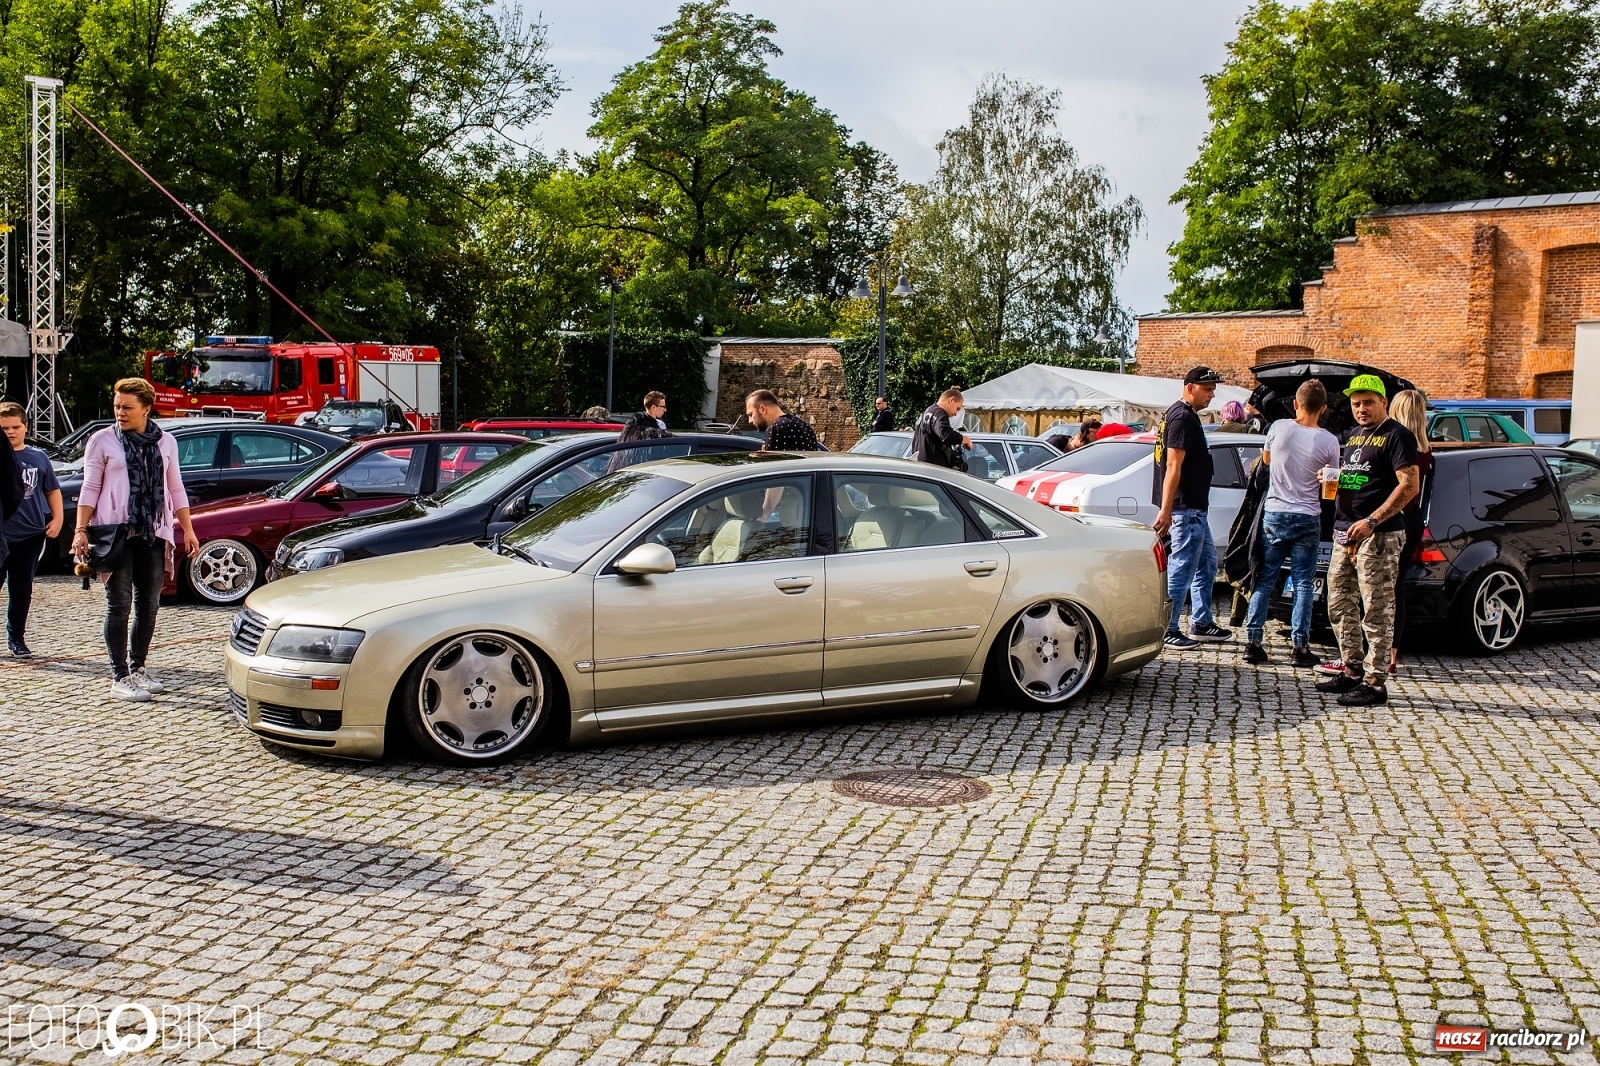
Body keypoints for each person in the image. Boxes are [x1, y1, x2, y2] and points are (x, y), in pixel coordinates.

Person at [72, 378, 201, 702]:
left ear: (146, 408)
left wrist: (187, 528)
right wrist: (80, 529)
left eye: (127, 407)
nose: (120, 412)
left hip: (153, 531)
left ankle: (138, 666)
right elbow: (90, 488)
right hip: (114, 532)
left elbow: (175, 488)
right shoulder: (101, 441)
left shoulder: (166, 442)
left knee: (149, 604)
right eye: (117, 406)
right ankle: (120, 676)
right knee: (119, 605)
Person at [1314, 374, 1419, 707]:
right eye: (1356, 403)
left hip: (1379, 535)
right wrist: (1334, 478)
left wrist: (1373, 520)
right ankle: (1352, 669)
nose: (1361, 409)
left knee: (1376, 608)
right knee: (1339, 602)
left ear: (1383, 403)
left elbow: (1409, 486)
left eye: (1368, 402)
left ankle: (1375, 683)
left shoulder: (1397, 436)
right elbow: (1363, 477)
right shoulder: (1357, 436)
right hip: (1345, 532)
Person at [1241, 380, 1340, 667]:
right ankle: (1300, 647)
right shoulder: (1329, 441)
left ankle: (1253, 642)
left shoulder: (1278, 428)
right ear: (1323, 408)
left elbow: (1267, 462)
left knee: (1265, 577)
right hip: (1308, 516)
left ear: (1296, 403)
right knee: (1303, 583)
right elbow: (1329, 485)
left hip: (1275, 512)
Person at [1153, 366, 1231, 649]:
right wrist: (1166, 508)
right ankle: (1168, 627)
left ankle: (1201, 622)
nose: (1211, 395)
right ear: (1190, 387)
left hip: (1195, 507)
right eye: (1207, 389)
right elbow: (1173, 464)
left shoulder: (1184, 414)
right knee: (1182, 568)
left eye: (1213, 389)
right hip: (1186, 508)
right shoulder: (1182, 416)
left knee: (1207, 563)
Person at [1, 402, 64, 657]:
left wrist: (58, 518)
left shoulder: (38, 457)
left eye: (15, 427)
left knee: (21, 589)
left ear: (25, 427)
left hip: (29, 534)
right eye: (4, 428)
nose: (10, 432)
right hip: (1, 533)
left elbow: (52, 489)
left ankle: (16, 638)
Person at [1386, 389, 1433, 674]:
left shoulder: (1397, 444)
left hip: (1394, 517)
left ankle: (1372, 651)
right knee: (1397, 589)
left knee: (1377, 588)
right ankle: (1392, 655)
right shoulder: (1426, 449)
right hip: (1413, 518)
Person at [912, 388, 972, 469]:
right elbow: (946, 434)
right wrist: (965, 439)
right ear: (952, 400)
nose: (955, 413)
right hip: (934, 470)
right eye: (957, 408)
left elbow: (915, 441)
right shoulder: (939, 413)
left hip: (922, 467)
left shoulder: (927, 412)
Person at [746, 390, 822, 451]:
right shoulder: (804, 425)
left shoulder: (775, 429)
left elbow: (772, 466)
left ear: (762, 409)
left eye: (751, 414)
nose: (750, 421)